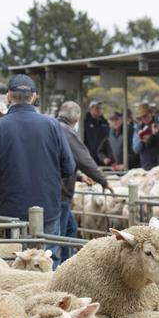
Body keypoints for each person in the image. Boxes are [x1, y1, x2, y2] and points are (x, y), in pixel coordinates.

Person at [0, 74, 75, 239]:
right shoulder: (53, 125)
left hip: (12, 210)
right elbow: (69, 167)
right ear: (34, 96)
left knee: (14, 259)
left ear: (8, 96)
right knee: (47, 259)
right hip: (48, 208)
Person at [57, 101, 111, 264]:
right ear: (77, 117)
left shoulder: (55, 127)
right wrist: (103, 180)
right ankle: (59, 266)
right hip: (60, 193)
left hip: (58, 189)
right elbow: (84, 159)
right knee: (58, 233)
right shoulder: (66, 131)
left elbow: (62, 161)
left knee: (70, 228)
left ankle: (66, 262)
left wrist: (79, 177)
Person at [83, 100, 109, 165]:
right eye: (96, 108)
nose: (98, 110)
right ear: (90, 109)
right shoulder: (84, 123)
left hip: (103, 159)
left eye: (100, 108)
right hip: (89, 158)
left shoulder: (105, 123)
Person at [132, 103, 157, 170]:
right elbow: (136, 149)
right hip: (146, 165)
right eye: (141, 117)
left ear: (151, 113)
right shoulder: (138, 129)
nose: (143, 119)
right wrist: (142, 141)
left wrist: (155, 136)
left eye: (145, 116)